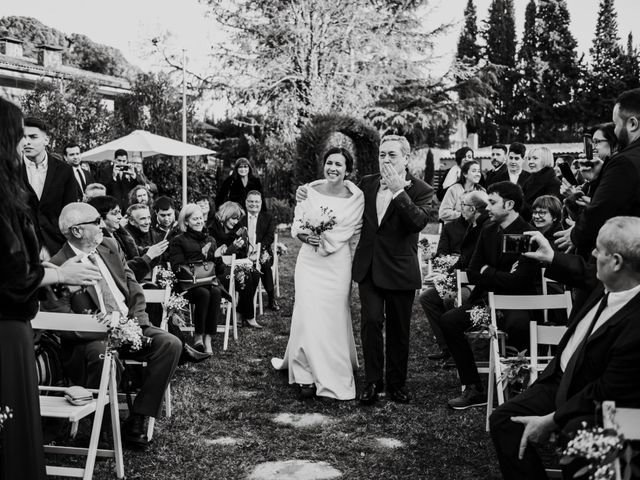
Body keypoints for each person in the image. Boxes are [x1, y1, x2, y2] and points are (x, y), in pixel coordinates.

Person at [490, 216, 640, 480]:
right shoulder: (612, 282)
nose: (592, 254)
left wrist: (552, 420)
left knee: (577, 438)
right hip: (559, 380)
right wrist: (550, 257)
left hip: (604, 403)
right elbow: (582, 271)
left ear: (616, 262)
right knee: (504, 420)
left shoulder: (635, 323)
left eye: (598, 250)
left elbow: (607, 390)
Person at [0, 97, 102, 480]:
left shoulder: (43, 177)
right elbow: (12, 275)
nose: (21, 146)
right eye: (15, 137)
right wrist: (58, 274)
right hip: (6, 323)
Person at [42, 202, 182, 449]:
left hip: (130, 325)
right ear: (76, 231)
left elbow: (132, 283)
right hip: (91, 338)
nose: (102, 225)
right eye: (96, 222)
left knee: (170, 344)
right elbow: (62, 320)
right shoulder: (58, 265)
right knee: (102, 355)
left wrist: (137, 321)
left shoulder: (109, 245)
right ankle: (103, 429)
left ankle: (138, 419)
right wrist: (103, 329)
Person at [435, 181, 540, 409]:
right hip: (485, 303)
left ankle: (519, 389)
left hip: (517, 304)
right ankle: (474, 388)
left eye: (492, 202)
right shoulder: (488, 230)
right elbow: (472, 272)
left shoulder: (527, 234)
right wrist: (494, 273)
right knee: (449, 321)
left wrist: (487, 271)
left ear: (510, 204)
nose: (488, 208)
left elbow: (519, 281)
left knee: (519, 326)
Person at [272, 147, 364, 400]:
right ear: (324, 165)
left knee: (333, 316)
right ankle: (305, 374)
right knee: (307, 314)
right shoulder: (309, 192)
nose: (333, 168)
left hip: (337, 263)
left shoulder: (357, 198)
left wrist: (327, 239)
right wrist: (308, 236)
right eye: (330, 163)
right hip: (309, 263)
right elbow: (297, 227)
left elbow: (352, 230)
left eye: (339, 164)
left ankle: (333, 373)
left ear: (348, 170)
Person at [353, 135, 433, 404]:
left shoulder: (421, 189)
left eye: (392, 155)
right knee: (371, 323)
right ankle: (373, 382)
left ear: (406, 159)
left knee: (399, 330)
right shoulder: (367, 183)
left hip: (400, 270)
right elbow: (340, 198)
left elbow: (417, 222)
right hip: (370, 267)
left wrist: (399, 191)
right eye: (382, 154)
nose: (385, 160)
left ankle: (397, 383)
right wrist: (308, 191)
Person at [555, 88, 640, 255]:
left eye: (616, 124)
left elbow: (603, 209)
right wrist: (599, 176)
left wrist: (575, 235)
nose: (615, 131)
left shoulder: (624, 161)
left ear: (632, 124)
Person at [420, 190, 490, 361]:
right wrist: (444, 276)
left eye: (463, 206)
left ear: (473, 209)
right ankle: (447, 348)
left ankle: (459, 350)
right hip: (457, 278)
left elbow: (476, 263)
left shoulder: (485, 228)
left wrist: (456, 277)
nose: (460, 209)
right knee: (427, 297)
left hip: (473, 285)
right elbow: (462, 259)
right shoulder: (468, 225)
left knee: (449, 299)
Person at [169, 204, 226, 354]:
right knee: (204, 293)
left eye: (201, 218)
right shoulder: (178, 240)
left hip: (209, 282)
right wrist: (200, 257)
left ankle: (208, 338)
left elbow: (219, 270)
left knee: (216, 292)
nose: (199, 221)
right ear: (186, 222)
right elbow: (177, 267)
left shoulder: (211, 240)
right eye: (195, 219)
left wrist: (217, 258)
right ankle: (198, 336)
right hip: (188, 286)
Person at [22, 117, 80, 256]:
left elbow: (70, 211)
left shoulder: (64, 170)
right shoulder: (8, 168)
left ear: (46, 140)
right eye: (23, 137)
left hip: (57, 246)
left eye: (33, 137)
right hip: (22, 248)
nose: (27, 142)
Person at [209, 201, 262, 328]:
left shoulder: (240, 230)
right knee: (245, 276)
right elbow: (214, 256)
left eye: (237, 219)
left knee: (255, 274)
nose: (235, 222)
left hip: (236, 266)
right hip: (219, 270)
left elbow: (242, 256)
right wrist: (231, 249)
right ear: (225, 216)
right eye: (233, 218)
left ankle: (239, 310)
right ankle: (248, 316)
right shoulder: (212, 230)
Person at [239, 190, 280, 311]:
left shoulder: (268, 217)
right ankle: (243, 298)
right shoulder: (240, 217)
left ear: (261, 203)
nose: (254, 204)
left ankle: (271, 298)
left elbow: (269, 237)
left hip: (262, 251)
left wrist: (259, 248)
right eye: (251, 201)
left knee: (265, 264)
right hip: (243, 252)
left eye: (256, 201)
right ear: (246, 202)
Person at [125, 204, 168, 275]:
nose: (147, 222)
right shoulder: (124, 237)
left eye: (148, 218)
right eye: (143, 219)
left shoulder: (154, 234)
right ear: (131, 221)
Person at [521, 146, 561, 221]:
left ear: (546, 160)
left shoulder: (553, 183)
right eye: (529, 159)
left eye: (535, 158)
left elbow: (548, 212)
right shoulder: (529, 180)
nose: (530, 162)